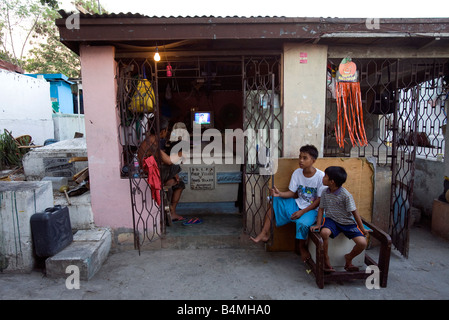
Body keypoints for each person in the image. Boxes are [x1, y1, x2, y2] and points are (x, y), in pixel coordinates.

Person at [250, 144, 324, 262]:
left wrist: (302, 212)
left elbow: (320, 200)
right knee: (274, 201)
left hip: (312, 209)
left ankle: (301, 247)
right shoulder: (297, 173)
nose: (300, 160)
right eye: (300, 157)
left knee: (302, 224)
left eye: (305, 158)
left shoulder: (321, 176)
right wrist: (280, 194)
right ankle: (264, 233)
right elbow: (291, 192)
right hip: (297, 204)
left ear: (313, 160)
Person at [310, 166, 369, 272]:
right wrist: (318, 224)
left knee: (362, 243)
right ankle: (326, 258)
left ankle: (349, 258)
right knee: (324, 233)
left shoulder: (346, 195)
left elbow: (355, 213)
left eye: (325, 176)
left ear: (332, 182)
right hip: (331, 220)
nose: (323, 178)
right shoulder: (325, 192)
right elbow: (321, 209)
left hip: (347, 223)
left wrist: (362, 229)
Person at [138, 117, 185, 222]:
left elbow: (159, 159)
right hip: (150, 173)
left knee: (178, 184)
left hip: (155, 171)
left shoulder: (151, 140)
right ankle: (171, 211)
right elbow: (168, 160)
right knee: (175, 167)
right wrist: (182, 153)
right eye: (167, 130)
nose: (167, 132)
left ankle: (171, 211)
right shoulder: (152, 143)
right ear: (163, 131)